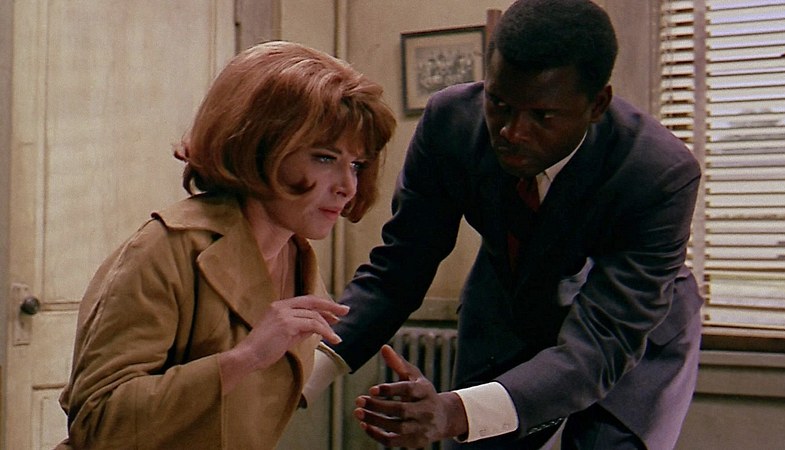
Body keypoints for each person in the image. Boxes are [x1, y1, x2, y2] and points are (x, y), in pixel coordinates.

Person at [302, 0, 704, 449]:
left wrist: (452, 411)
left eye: (542, 116)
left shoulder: (657, 173)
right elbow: (401, 265)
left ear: (597, 105)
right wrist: (305, 375)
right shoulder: (451, 123)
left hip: (627, 331)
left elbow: (599, 347)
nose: (512, 132)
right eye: (498, 103)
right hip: (508, 303)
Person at [56, 40, 396, 449]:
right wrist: (244, 358)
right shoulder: (164, 248)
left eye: (356, 164)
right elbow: (97, 423)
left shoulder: (298, 257)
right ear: (261, 146)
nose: (347, 186)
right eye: (325, 157)